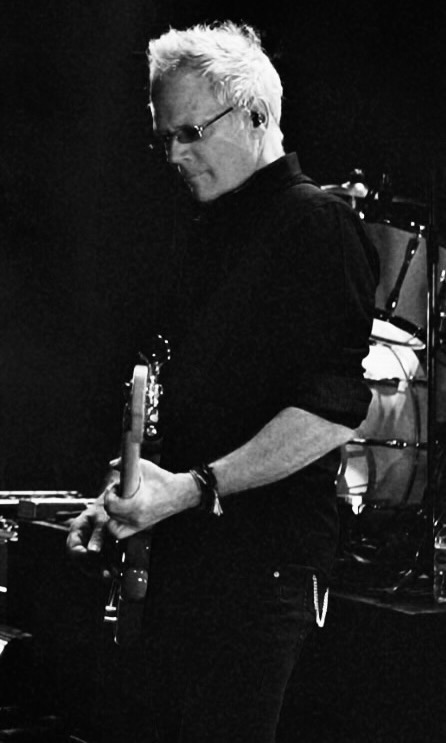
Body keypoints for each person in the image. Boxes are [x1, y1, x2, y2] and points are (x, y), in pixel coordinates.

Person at [67, 20, 379, 743]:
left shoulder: (316, 224)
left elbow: (331, 412)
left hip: (258, 576)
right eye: (165, 138)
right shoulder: (211, 230)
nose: (175, 155)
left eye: (191, 132)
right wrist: (134, 491)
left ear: (255, 115)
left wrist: (192, 488)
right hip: (189, 566)